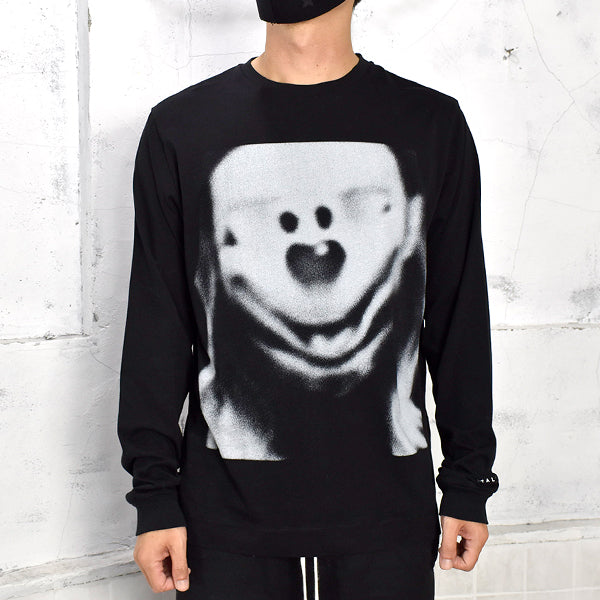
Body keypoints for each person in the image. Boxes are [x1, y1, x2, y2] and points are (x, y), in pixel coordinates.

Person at [117, 0, 500, 598]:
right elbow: (157, 323)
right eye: (256, 218)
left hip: (389, 523)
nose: (313, 245)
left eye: (361, 207)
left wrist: (468, 482)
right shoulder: (182, 126)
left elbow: (459, 318)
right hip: (224, 528)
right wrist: (154, 496)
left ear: (404, 224)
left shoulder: (430, 123)